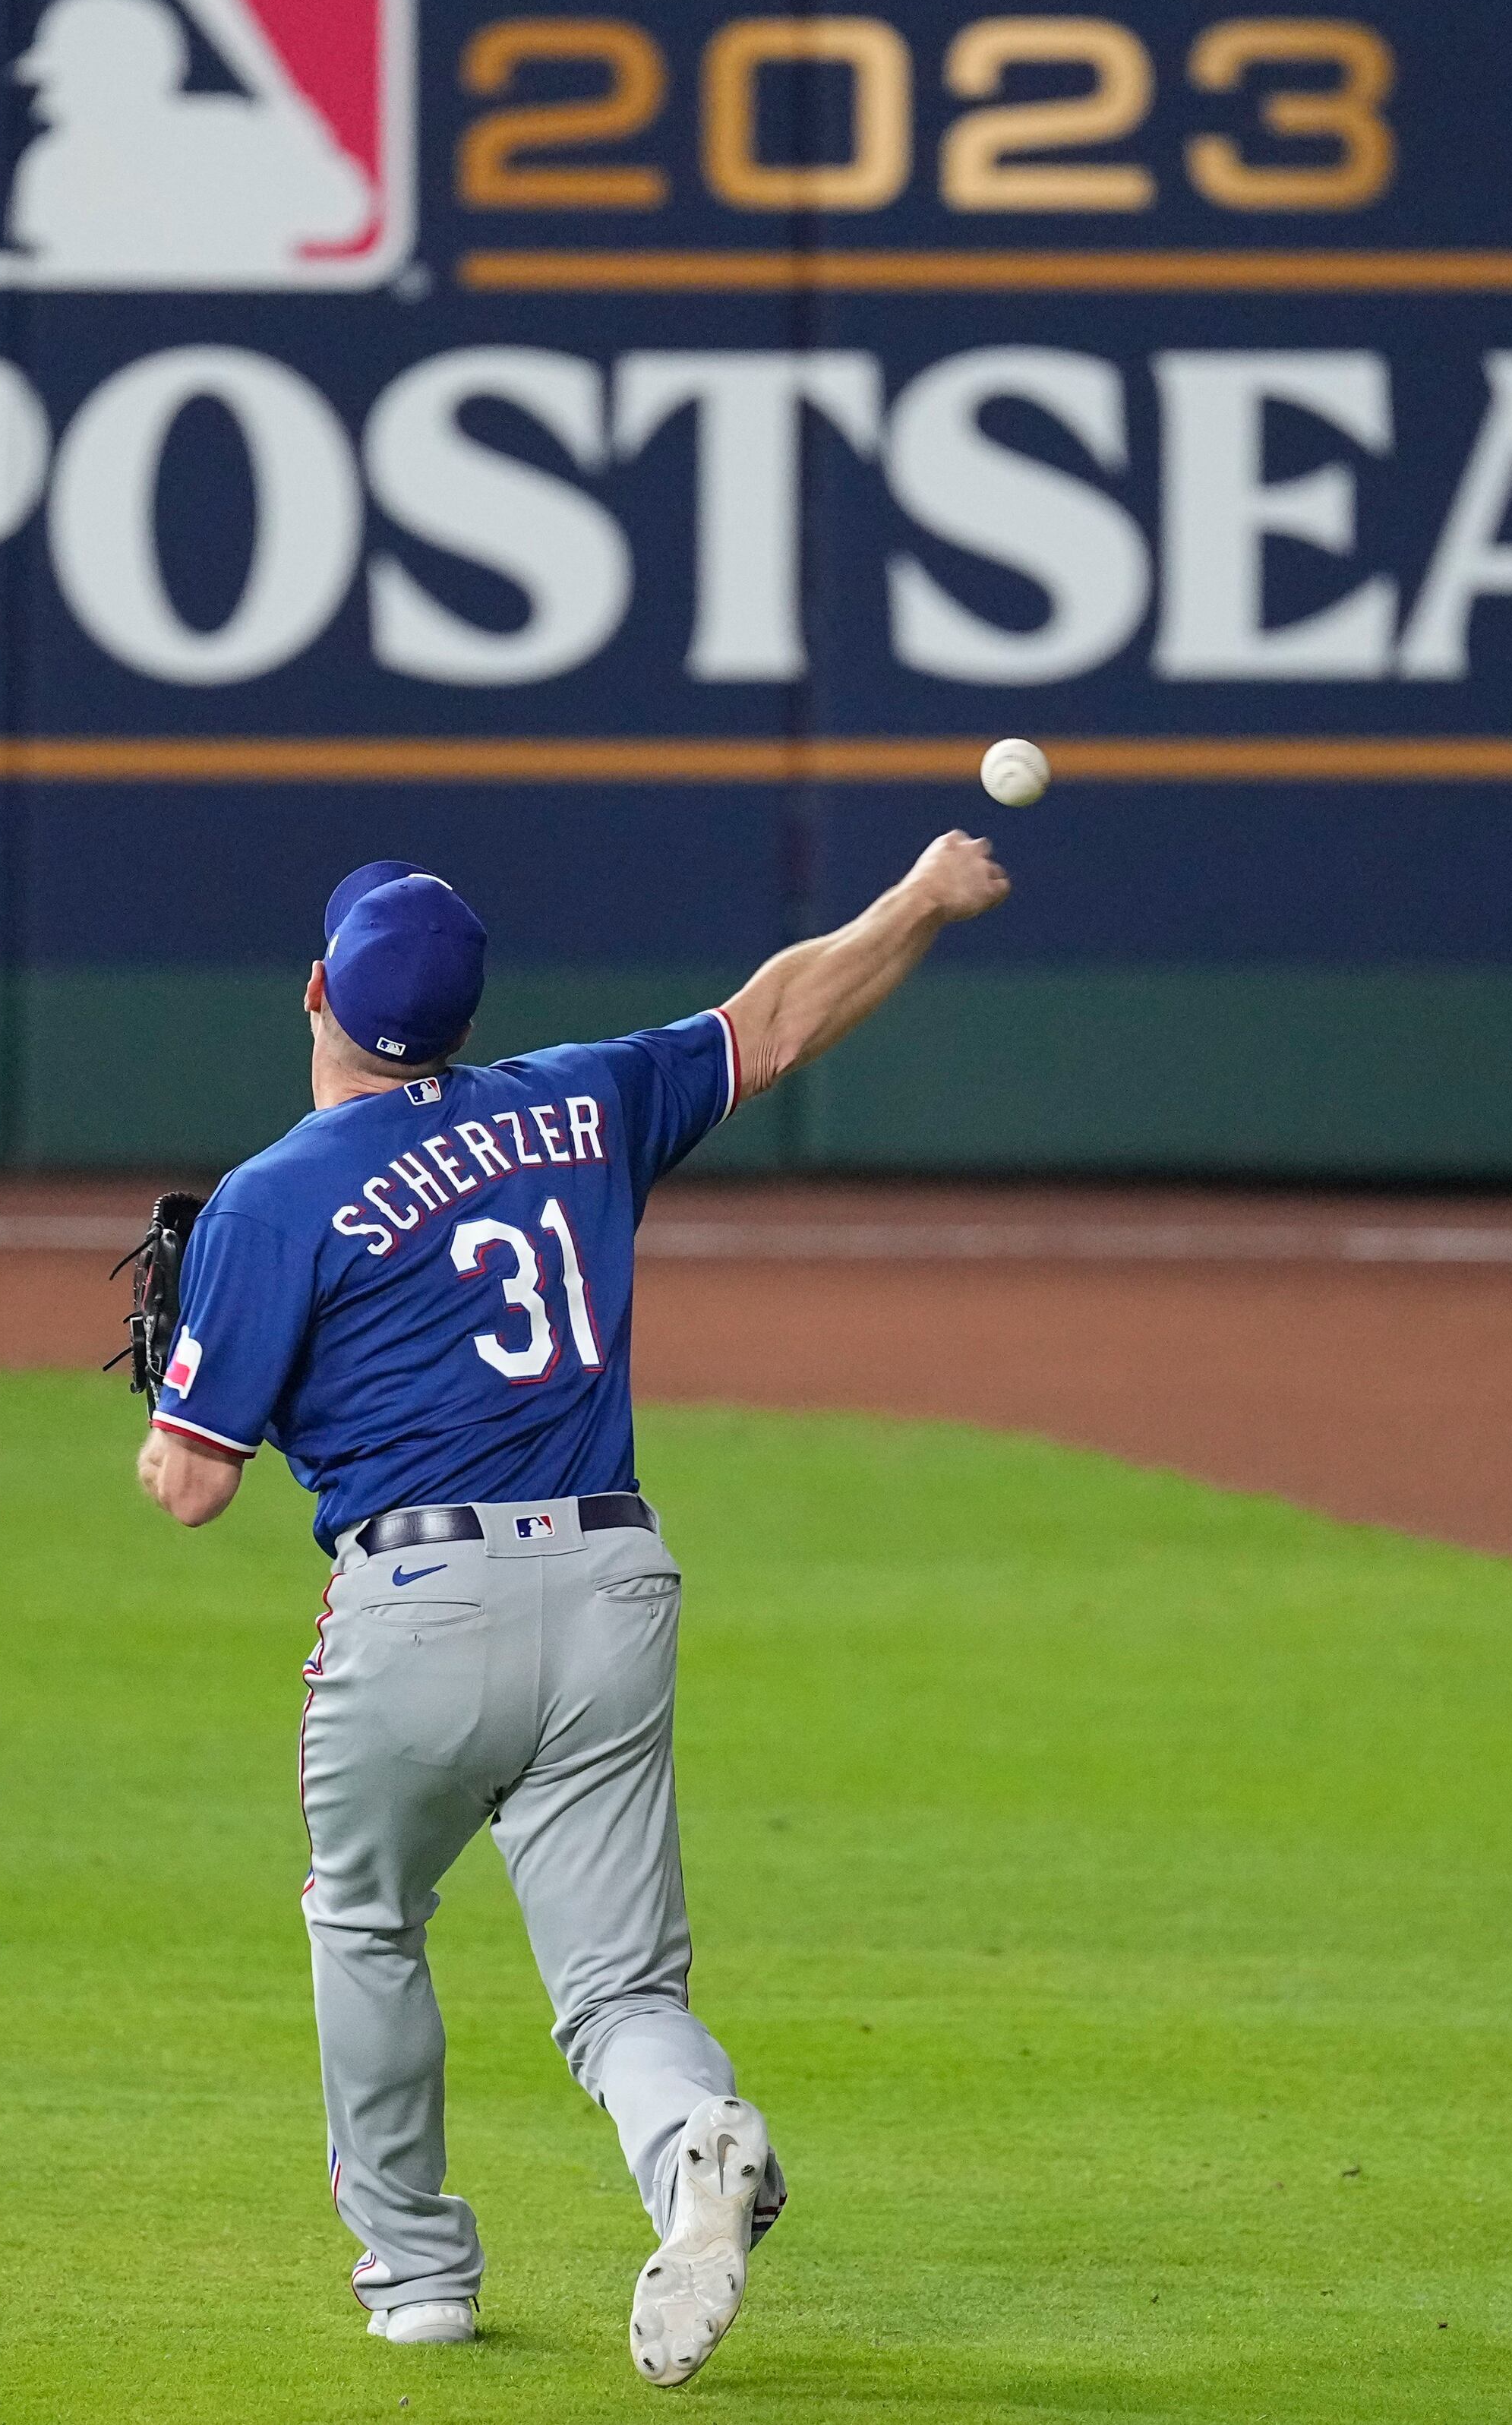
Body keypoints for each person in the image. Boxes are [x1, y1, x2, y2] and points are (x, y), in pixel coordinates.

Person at [133, 832, 1011, 2380]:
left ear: (317, 991)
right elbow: (782, 1016)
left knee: (366, 1915)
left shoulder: (274, 1201)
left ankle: (415, 2271)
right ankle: (691, 2144)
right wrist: (924, 899)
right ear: (471, 1012)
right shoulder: (581, 1096)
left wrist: (196, 1385)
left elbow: (193, 1480)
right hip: (612, 1584)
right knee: (619, 1988)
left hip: (412, 1605)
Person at [10, 0, 370, 283]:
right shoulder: (56, 162)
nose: (44, 93)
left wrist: (301, 145)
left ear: (112, 75)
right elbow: (52, 271)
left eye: (60, 78)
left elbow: (342, 214)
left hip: (247, 329)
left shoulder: (237, 139)